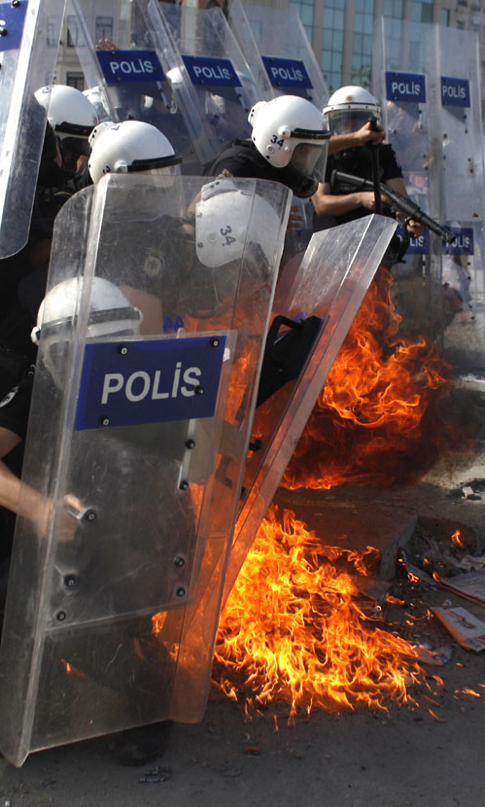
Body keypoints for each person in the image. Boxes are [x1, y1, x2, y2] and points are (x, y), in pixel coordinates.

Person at [311, 85, 424, 258]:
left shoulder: (382, 153)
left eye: (358, 122)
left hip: (374, 249)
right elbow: (322, 205)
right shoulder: (325, 154)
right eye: (344, 122)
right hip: (332, 249)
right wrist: (361, 198)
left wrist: (410, 218)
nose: (353, 127)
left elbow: (399, 199)